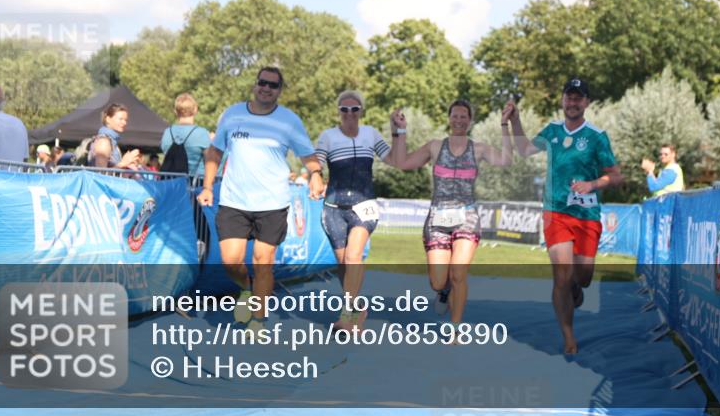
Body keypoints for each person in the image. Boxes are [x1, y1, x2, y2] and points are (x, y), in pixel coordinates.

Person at [196, 67, 325, 334]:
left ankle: (258, 319)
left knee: (262, 261)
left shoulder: (289, 120)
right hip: (234, 201)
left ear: (279, 90)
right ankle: (246, 289)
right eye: (262, 83)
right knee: (231, 261)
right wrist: (208, 186)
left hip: (273, 202)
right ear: (255, 85)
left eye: (273, 85)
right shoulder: (232, 114)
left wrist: (315, 173)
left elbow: (307, 154)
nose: (267, 88)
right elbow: (215, 152)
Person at [507, 77, 622, 355]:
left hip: (586, 214)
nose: (573, 102)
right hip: (555, 211)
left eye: (578, 98)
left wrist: (592, 184)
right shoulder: (552, 131)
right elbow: (524, 150)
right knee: (561, 275)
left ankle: (576, 286)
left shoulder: (597, 136)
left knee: (582, 276)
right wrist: (515, 121)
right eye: (569, 97)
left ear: (586, 103)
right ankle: (569, 337)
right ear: (562, 100)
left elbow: (616, 176)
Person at [390, 100, 512, 330]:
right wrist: (400, 131)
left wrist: (505, 125)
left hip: (467, 217)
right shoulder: (435, 147)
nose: (458, 120)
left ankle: (455, 327)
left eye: (463, 116)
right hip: (438, 218)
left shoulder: (480, 149)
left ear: (470, 120)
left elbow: (506, 160)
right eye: (454, 116)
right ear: (449, 118)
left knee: (458, 274)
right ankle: (443, 292)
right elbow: (402, 163)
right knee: (438, 281)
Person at [314, 90, 397, 330]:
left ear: (361, 111)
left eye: (354, 109)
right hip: (333, 208)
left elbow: (393, 159)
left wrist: (398, 132)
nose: (349, 113)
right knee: (344, 264)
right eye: (344, 109)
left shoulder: (370, 134)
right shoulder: (328, 136)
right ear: (338, 112)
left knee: (353, 257)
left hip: (364, 205)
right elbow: (317, 161)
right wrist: (315, 175)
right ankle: (358, 309)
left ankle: (347, 317)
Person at [160, 93, 212, 178]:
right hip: (195, 186)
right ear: (195, 110)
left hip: (170, 184)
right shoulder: (202, 134)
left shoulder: (167, 133)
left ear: (175, 111)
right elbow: (210, 162)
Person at [88, 103, 143, 170]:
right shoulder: (104, 142)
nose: (124, 123)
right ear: (108, 119)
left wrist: (128, 165)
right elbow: (100, 173)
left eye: (126, 120)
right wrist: (123, 163)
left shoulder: (111, 141)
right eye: (120, 119)